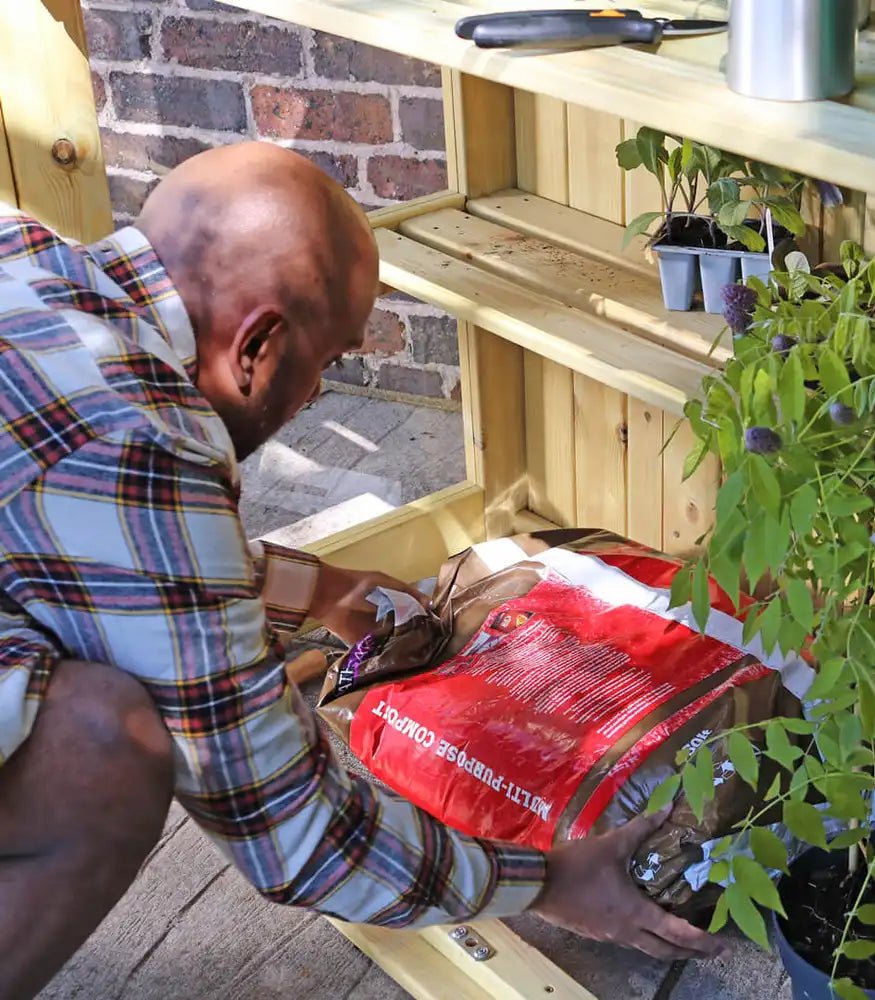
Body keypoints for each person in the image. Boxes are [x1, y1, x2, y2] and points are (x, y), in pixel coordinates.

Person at [0, 142, 728, 999]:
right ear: (260, 344)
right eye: (330, 363)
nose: (314, 396)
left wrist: (312, 588)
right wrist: (554, 879)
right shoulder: (141, 452)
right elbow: (295, 834)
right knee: (102, 745)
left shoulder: (26, 257)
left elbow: (81, 535)